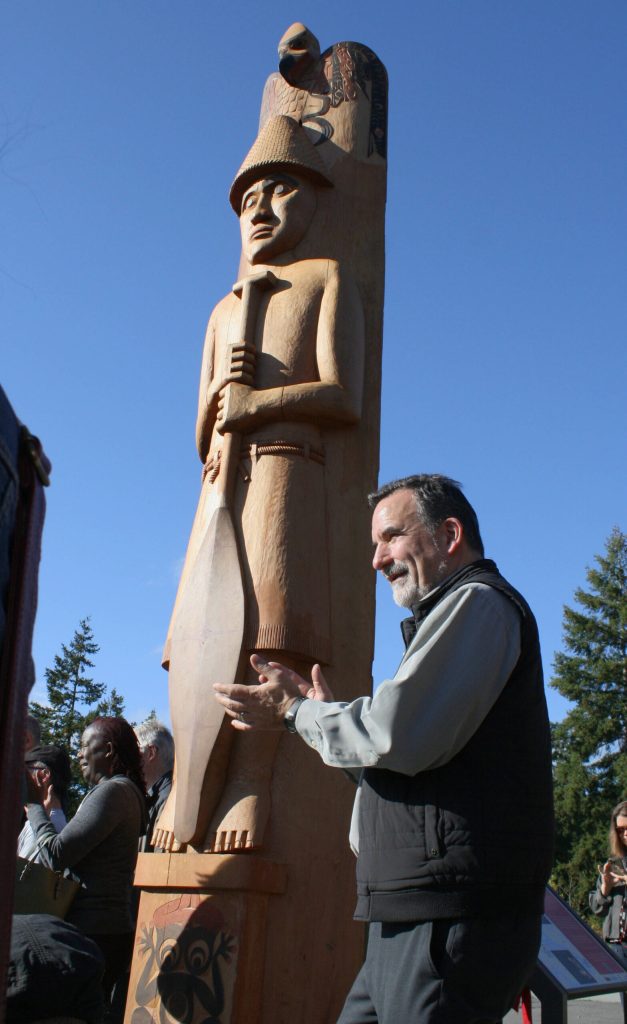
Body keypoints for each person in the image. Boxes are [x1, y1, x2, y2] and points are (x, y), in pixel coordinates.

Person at [213, 473, 555, 1023]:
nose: (377, 560)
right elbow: (409, 763)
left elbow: (396, 734)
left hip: (446, 921)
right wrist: (320, 720)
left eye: (391, 536)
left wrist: (297, 712)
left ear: (449, 534)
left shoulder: (478, 604)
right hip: (413, 914)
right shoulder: (448, 617)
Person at [26, 716, 146, 1023]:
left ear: (106, 749)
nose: (79, 754)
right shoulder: (125, 792)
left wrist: (35, 805)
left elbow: (57, 854)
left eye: (83, 746)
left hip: (93, 932)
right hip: (106, 931)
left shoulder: (113, 792)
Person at [590, 800, 627, 974]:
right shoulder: (614, 864)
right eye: (620, 830)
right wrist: (605, 889)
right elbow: (597, 909)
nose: (625, 834)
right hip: (618, 945)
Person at [18, 744, 72, 861]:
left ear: (43, 775)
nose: (21, 779)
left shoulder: (40, 827)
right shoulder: (62, 827)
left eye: (26, 772)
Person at [134, 718, 174, 852]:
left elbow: (162, 867)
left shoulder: (169, 800)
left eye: (134, 751)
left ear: (151, 753)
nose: (129, 758)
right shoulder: (155, 797)